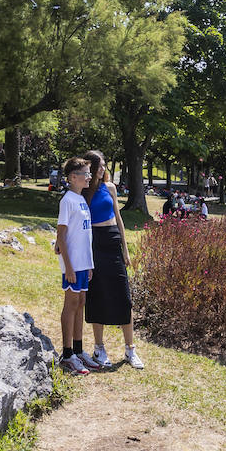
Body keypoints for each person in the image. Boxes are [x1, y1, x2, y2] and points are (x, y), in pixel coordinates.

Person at [81, 150, 145, 370]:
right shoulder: (83, 191)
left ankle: (130, 349)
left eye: (104, 165)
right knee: (97, 295)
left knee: (123, 297)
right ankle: (99, 348)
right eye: (100, 165)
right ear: (91, 166)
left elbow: (118, 218)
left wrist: (125, 250)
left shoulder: (110, 188)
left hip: (113, 243)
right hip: (94, 244)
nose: (103, 168)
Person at [56, 158, 96, 375]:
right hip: (72, 264)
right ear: (73, 177)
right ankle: (67, 353)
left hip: (83, 263)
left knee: (80, 302)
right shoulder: (68, 200)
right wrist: (69, 267)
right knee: (71, 304)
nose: (89, 177)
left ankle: (79, 350)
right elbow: (61, 236)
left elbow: (83, 235)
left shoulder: (81, 199)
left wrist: (88, 265)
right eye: (86, 173)